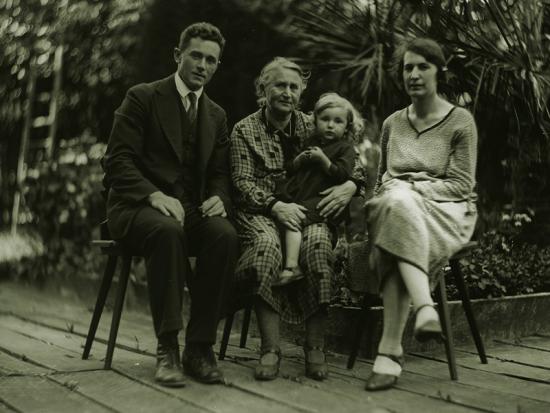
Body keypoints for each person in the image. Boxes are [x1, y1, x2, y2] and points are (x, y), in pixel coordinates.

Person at [102, 22, 238, 387]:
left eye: (211, 60)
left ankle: (199, 347)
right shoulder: (143, 97)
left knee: (223, 235)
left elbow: (221, 173)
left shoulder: (216, 115)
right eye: (195, 55)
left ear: (217, 66)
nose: (202, 65)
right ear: (178, 56)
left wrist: (218, 198)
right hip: (135, 206)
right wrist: (154, 195)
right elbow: (117, 161)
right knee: (166, 230)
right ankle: (168, 348)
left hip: (187, 210)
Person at [230, 57, 365, 382]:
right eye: (280, 85)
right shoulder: (244, 130)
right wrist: (275, 205)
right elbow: (241, 182)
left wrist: (350, 185)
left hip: (308, 209)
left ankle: (314, 346)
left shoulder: (314, 123)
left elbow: (353, 160)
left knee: (318, 243)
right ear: (264, 88)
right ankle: (270, 348)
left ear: (301, 91)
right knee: (267, 246)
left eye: (293, 87)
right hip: (262, 210)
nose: (287, 93)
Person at [364, 38, 478, 391]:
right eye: (407, 68)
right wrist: (398, 193)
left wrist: (412, 190)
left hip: (447, 209)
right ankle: (425, 307)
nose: (413, 74)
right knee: (395, 204)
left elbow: (460, 185)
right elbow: (383, 177)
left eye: (422, 67)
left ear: (438, 72)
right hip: (397, 207)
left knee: (397, 209)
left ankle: (390, 351)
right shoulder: (391, 124)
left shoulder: (460, 121)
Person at [272, 92, 363, 286]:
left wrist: (323, 161)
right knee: (289, 218)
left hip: (323, 202)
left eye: (338, 121)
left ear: (347, 126)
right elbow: (290, 169)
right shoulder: (311, 141)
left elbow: (342, 174)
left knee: (293, 220)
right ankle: (289, 266)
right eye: (325, 120)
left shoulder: (345, 148)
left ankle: (291, 267)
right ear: (316, 120)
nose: (330, 125)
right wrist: (299, 160)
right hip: (305, 197)